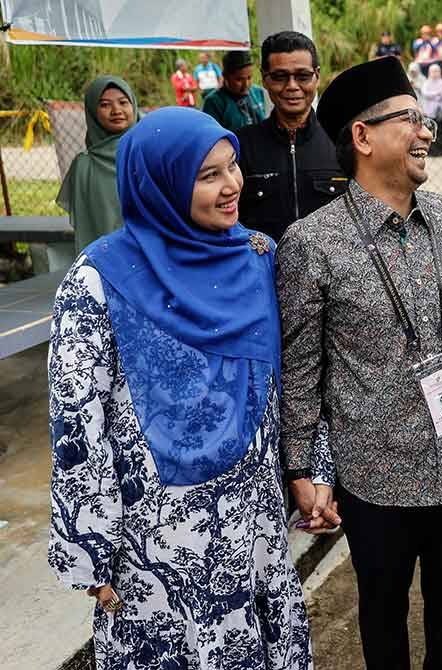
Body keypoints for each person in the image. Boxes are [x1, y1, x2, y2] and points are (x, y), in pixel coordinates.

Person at [48, 107, 313, 669]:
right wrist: (91, 547)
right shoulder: (99, 278)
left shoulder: (257, 255)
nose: (232, 185)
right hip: (158, 538)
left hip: (253, 521)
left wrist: (312, 468)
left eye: (233, 166)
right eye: (208, 175)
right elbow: (77, 418)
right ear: (158, 184)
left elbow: (294, 376)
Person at [280, 55, 442, 670]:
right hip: (375, 477)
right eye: (410, 121)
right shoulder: (312, 242)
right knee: (383, 617)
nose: (426, 133)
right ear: (363, 138)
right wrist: (302, 468)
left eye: (425, 121)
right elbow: (300, 372)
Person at [235, 31, 347, 242]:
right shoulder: (241, 146)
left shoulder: (343, 141)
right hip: (266, 262)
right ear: (264, 78)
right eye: (280, 77)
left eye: (303, 76)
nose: (292, 86)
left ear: (317, 76)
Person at [57, 76, 139, 253]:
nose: (116, 110)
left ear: (133, 105)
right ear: (92, 112)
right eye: (105, 105)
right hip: (105, 258)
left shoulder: (152, 153)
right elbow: (87, 228)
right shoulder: (85, 165)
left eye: (123, 102)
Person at [202, 50, 267, 132]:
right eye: (239, 79)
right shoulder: (214, 102)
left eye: (249, 78)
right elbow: (212, 134)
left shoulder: (258, 93)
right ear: (226, 77)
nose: (246, 84)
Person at [421, 63, 442, 156]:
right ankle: (433, 152)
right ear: (429, 72)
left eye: (437, 71)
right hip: (430, 113)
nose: (435, 73)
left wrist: (433, 95)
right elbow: (425, 93)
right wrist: (438, 93)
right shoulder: (426, 83)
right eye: (433, 71)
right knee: (431, 132)